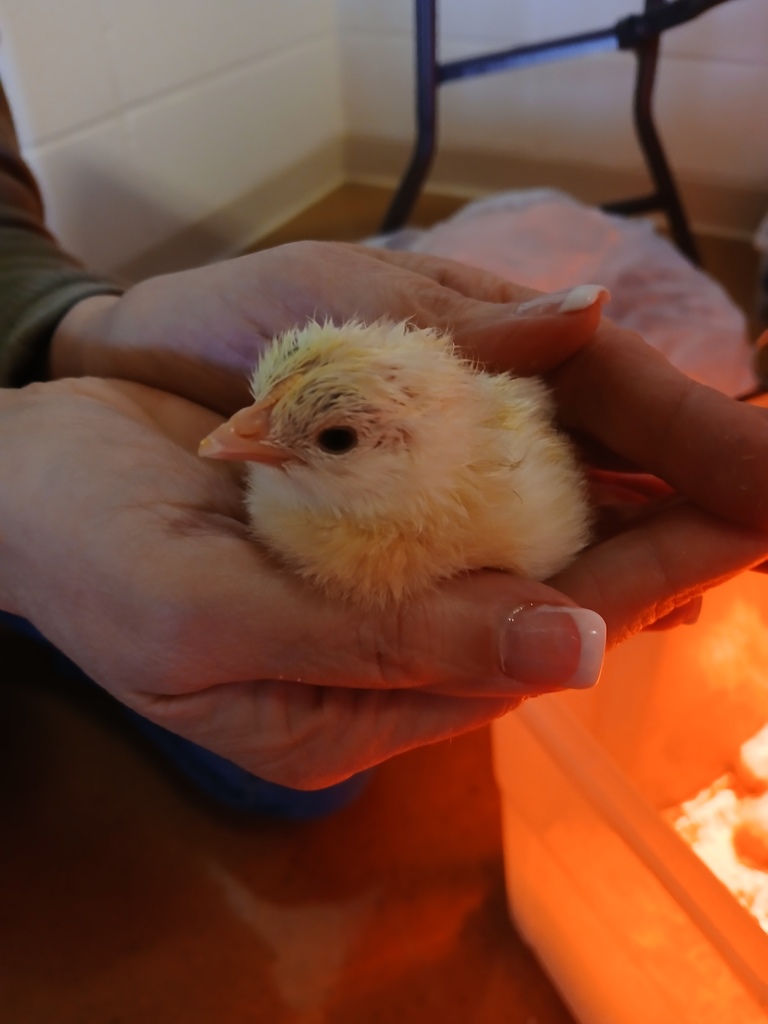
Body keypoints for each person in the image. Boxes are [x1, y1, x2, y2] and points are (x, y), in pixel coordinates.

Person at [2, 79, 768, 806]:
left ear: (406, 451)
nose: (240, 427)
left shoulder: (499, 497)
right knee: (285, 768)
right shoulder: (327, 491)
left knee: (301, 770)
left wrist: (70, 330)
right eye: (260, 400)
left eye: (335, 437)